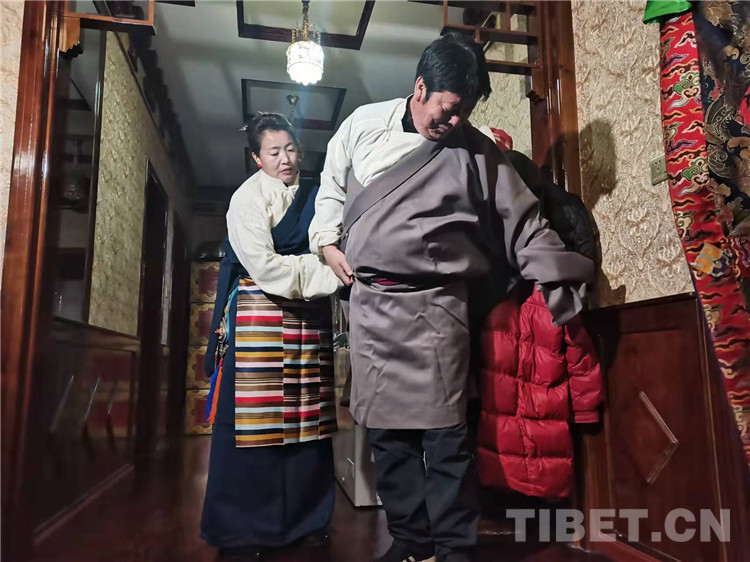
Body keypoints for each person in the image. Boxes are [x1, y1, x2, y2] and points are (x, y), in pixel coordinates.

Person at [308, 33, 595, 562]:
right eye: (449, 107)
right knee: (388, 441)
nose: (456, 120)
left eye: (466, 111)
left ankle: (455, 549)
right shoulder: (361, 125)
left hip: (438, 310)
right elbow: (330, 187)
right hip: (371, 309)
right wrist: (326, 242)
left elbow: (523, 219)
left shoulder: (476, 149)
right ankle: (411, 540)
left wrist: (560, 273)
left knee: (446, 441)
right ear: (420, 87)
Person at [201, 113, 341, 561]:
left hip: (310, 319)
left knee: (308, 422)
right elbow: (264, 266)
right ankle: (243, 531)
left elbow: (339, 244)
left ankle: (307, 521)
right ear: (257, 158)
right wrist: (324, 272)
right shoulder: (247, 198)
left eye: (291, 148)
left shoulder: (321, 193)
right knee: (254, 425)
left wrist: (326, 266)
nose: (286, 159)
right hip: (259, 314)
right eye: (274, 151)